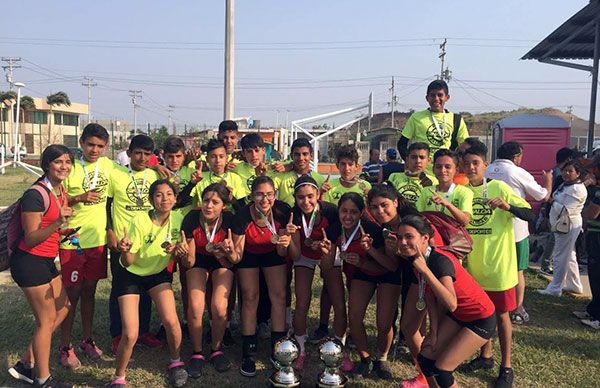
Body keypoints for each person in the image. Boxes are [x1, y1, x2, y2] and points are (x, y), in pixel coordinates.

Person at [459, 141, 534, 388]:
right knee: (482, 314)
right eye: (467, 163)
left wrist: (507, 205)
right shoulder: (462, 192)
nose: (471, 167)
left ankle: (507, 366)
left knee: (502, 317)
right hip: (475, 268)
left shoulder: (499, 187)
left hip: (500, 267)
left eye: (476, 163)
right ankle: (486, 356)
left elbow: (529, 214)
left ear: (485, 165)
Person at [396, 214, 497, 388]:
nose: (403, 242)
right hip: (459, 316)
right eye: (399, 237)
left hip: (481, 318)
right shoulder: (418, 259)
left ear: (425, 238)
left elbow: (451, 303)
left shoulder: (439, 261)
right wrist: (434, 332)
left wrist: (426, 271)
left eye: (409, 237)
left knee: (442, 370)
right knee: (425, 360)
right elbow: (429, 296)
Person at [109, 179, 187, 388]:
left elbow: (185, 258)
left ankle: (176, 362)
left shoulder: (179, 220)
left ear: (175, 198)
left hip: (157, 274)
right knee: (131, 332)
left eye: (169, 194)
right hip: (130, 275)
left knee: (171, 321)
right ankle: (119, 377)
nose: (165, 199)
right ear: (152, 200)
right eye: (159, 195)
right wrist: (125, 251)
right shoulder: (140, 220)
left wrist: (180, 253)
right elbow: (129, 261)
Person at [8, 145, 75, 388]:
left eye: (68, 162)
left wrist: (63, 232)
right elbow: (31, 237)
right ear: (47, 164)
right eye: (58, 162)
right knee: (45, 321)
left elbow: (48, 231)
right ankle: (43, 379)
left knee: (65, 306)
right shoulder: (35, 194)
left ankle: (26, 363)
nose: (64, 166)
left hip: (45, 260)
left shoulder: (59, 190)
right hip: (29, 262)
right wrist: (58, 223)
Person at [58, 124, 115, 369]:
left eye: (100, 146)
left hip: (98, 240)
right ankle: (65, 345)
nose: (95, 150)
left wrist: (157, 166)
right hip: (72, 240)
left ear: (106, 147)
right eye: (90, 144)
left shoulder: (109, 166)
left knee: (90, 290)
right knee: (72, 293)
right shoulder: (70, 168)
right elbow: (56, 200)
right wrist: (78, 197)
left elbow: (133, 173)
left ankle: (87, 340)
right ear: (81, 143)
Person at [229, 176, 298, 377]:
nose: (264, 199)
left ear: (275, 196)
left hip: (273, 252)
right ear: (252, 196)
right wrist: (229, 252)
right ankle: (248, 351)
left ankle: (277, 349)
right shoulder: (242, 215)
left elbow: (284, 254)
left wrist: (285, 242)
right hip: (249, 254)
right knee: (250, 297)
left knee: (279, 296)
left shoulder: (283, 212)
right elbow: (238, 256)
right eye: (259, 194)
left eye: (269, 194)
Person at [106, 135, 163, 355]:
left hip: (147, 241)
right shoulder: (116, 174)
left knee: (145, 286)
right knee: (120, 287)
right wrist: (110, 232)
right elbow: (106, 205)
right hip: (123, 241)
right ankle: (117, 334)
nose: (142, 157)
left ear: (152, 156)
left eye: (147, 154)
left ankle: (143, 331)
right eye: (138, 152)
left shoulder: (155, 175)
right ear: (129, 153)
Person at [485, 141, 552, 324]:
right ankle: (517, 308)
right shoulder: (517, 172)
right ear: (516, 157)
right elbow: (542, 196)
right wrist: (548, 182)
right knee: (517, 270)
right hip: (515, 229)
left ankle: (489, 304)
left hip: (490, 230)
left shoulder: (486, 169)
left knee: (494, 267)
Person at [289, 175, 349, 371]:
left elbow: (333, 243)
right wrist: (290, 237)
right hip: (304, 256)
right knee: (302, 302)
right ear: (295, 197)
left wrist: (325, 248)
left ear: (318, 195)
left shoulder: (330, 211)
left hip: (328, 252)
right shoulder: (294, 215)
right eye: (300, 197)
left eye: (310, 197)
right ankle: (300, 347)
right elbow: (296, 252)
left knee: (339, 302)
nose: (305, 202)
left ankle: (341, 349)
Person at [179, 183, 236, 376]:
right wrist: (184, 253)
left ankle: (216, 349)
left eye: (215, 202)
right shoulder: (192, 219)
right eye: (205, 201)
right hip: (199, 260)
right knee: (195, 306)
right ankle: (197, 352)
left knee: (219, 307)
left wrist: (227, 252)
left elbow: (233, 260)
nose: (209, 206)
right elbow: (190, 262)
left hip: (221, 262)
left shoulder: (229, 220)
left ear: (223, 206)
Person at [537, 160, 587, 297]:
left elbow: (565, 209)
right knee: (569, 255)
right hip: (560, 224)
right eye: (565, 170)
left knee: (559, 257)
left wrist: (550, 200)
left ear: (578, 174)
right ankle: (574, 285)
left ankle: (555, 288)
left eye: (570, 171)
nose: (566, 173)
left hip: (567, 225)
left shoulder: (577, 189)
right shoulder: (566, 185)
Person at [397, 79, 469, 174]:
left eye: (440, 95)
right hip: (422, 175)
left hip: (445, 173)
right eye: (432, 95)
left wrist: (459, 164)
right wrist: (410, 162)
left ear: (447, 97)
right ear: (427, 98)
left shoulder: (456, 119)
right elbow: (402, 144)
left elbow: (466, 147)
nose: (436, 98)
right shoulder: (417, 117)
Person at [180, 139, 247, 206]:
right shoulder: (200, 178)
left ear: (226, 158)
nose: (217, 160)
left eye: (221, 156)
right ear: (207, 159)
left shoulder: (235, 178)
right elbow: (182, 201)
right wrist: (192, 184)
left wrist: (232, 199)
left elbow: (242, 207)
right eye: (213, 157)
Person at [416, 149, 473, 226]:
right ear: (433, 169)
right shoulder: (426, 191)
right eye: (438, 167)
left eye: (448, 167)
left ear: (456, 170)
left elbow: (465, 221)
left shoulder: (465, 192)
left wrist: (447, 204)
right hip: (432, 236)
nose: (443, 170)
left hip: (453, 237)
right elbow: (418, 218)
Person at [274, 138, 325, 206]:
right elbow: (264, 184)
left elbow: (322, 205)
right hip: (286, 215)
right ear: (292, 156)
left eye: (305, 154)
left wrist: (322, 193)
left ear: (311, 156)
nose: (301, 158)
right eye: (297, 154)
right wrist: (289, 164)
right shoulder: (281, 176)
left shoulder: (319, 179)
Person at [579, 175, 600, 329]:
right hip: (595, 234)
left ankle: (597, 315)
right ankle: (593, 310)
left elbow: (592, 213)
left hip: (597, 236)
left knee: (597, 274)